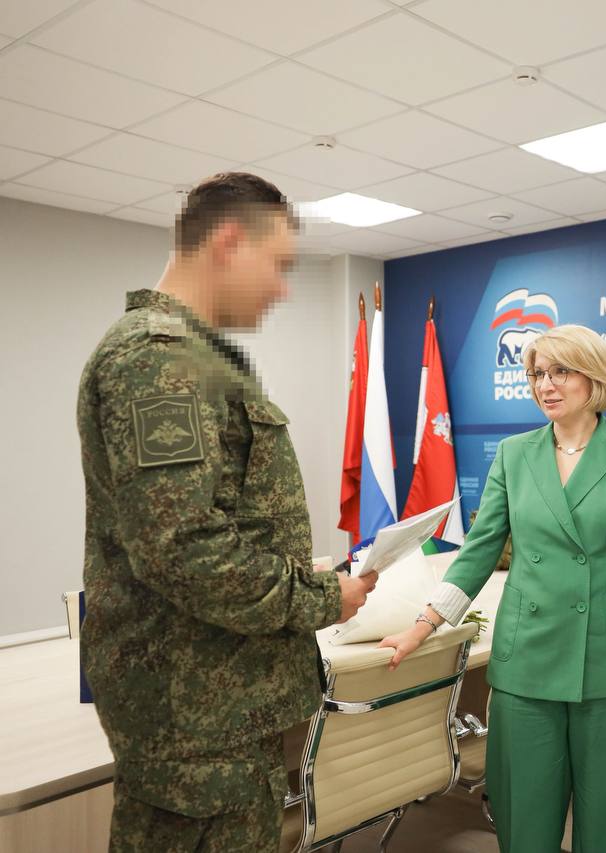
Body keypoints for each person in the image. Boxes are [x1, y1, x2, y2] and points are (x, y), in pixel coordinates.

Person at [78, 172, 377, 853]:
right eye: (278, 265)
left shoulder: (191, 356)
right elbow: (183, 547)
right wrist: (321, 597)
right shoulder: (156, 359)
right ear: (229, 243)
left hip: (221, 704)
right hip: (194, 717)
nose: (282, 288)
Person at [379, 324, 606, 853]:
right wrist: (422, 627)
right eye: (538, 374)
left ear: (594, 378)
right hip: (526, 660)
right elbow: (478, 552)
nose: (546, 385)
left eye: (561, 372)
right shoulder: (514, 454)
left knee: (604, 820)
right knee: (523, 817)